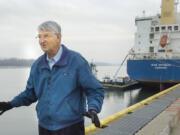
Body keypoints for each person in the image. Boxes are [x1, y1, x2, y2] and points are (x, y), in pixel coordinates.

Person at [0, 21, 104, 135]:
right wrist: (10, 104)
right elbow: (30, 93)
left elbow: (94, 89)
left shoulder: (76, 61)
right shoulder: (37, 65)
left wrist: (93, 109)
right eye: (39, 37)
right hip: (44, 127)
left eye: (46, 36)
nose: (41, 41)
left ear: (58, 37)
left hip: (70, 127)